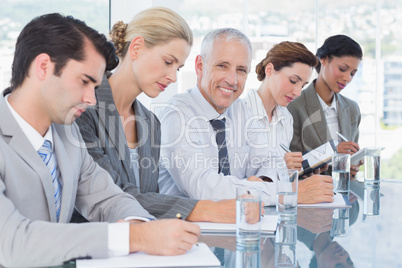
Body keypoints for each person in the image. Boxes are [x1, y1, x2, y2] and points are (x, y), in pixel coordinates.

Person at [0, 13, 199, 267]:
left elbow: (108, 198)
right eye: (84, 81)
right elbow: (11, 243)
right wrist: (131, 237)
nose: (92, 100)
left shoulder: (66, 134)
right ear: (43, 68)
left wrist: (140, 225)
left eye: (95, 86)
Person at [75, 7, 236, 223]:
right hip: (93, 246)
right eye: (168, 62)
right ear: (137, 48)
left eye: (178, 68)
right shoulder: (83, 107)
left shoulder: (150, 123)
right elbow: (113, 195)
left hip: (140, 246)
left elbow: (149, 200)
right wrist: (204, 209)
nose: (172, 77)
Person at [157, 28, 334, 205]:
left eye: (241, 70)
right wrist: (285, 193)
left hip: (238, 223)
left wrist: (260, 185)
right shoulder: (177, 114)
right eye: (222, 66)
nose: (233, 80)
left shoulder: (240, 109)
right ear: (200, 66)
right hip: (188, 228)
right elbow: (204, 188)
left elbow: (270, 161)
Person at [287, 35, 363, 177]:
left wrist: (351, 166)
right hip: (309, 194)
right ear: (324, 60)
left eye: (352, 73)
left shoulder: (352, 109)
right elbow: (292, 168)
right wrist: (333, 152)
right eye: (342, 68)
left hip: (342, 193)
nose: (347, 78)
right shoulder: (294, 107)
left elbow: (349, 160)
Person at [243, 41, 318, 171]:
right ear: (270, 70)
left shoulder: (286, 118)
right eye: (293, 81)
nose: (298, 92)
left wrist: (298, 174)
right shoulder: (240, 115)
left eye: (303, 85)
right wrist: (280, 165)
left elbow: (281, 178)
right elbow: (233, 176)